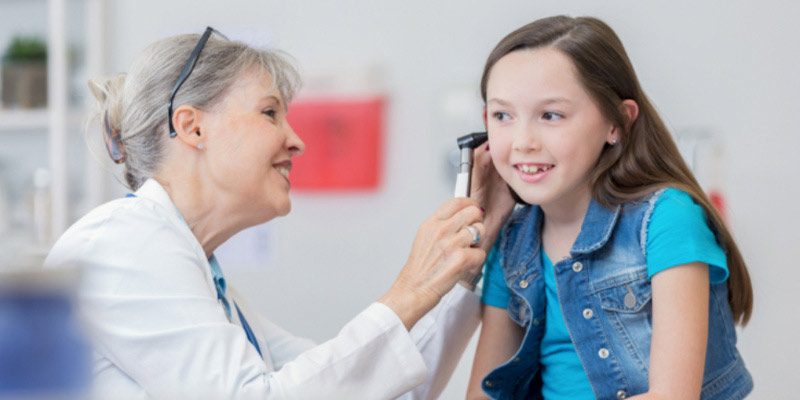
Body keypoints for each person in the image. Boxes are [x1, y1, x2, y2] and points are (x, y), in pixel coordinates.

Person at [44, 27, 489, 400]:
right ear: (192, 126)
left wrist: (468, 257)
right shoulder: (120, 245)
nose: (297, 140)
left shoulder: (207, 283)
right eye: (270, 112)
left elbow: (375, 384)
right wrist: (410, 287)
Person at [464, 16, 754, 400]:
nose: (522, 141)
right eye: (503, 116)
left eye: (551, 115)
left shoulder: (666, 219)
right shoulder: (512, 242)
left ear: (616, 123)